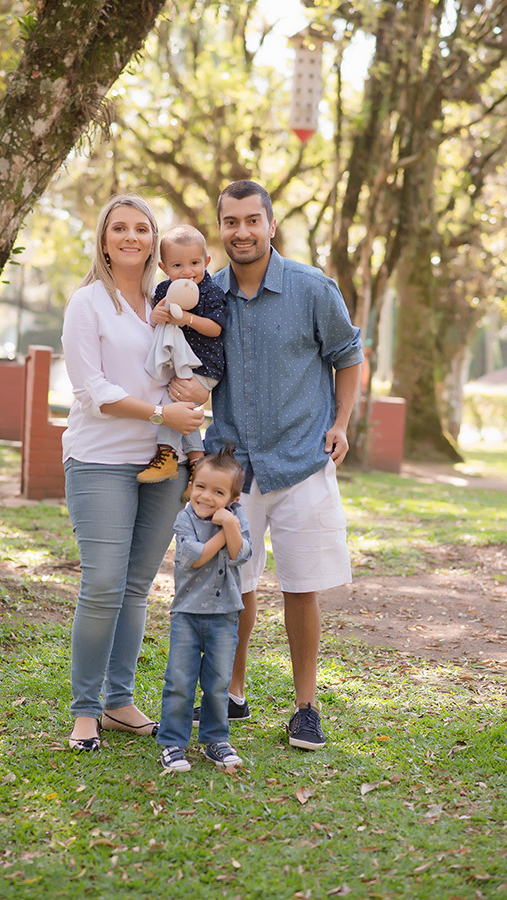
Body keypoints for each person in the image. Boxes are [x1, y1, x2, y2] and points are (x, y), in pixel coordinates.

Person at [170, 180, 364, 751]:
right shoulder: (208, 294)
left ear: (271, 225)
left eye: (252, 220)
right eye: (230, 222)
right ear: (221, 230)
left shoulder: (312, 288)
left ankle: (306, 708)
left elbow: (349, 355)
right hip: (233, 467)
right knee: (235, 581)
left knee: (301, 587)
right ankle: (232, 692)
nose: (242, 232)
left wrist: (342, 423)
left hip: (303, 459)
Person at [61, 194, 204, 752]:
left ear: (153, 241)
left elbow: (187, 369)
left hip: (164, 461)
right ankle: (85, 711)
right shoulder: (87, 304)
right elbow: (92, 391)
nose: (131, 237)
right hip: (99, 460)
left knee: (138, 586)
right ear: (104, 239)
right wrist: (157, 412)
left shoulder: (167, 299)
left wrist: (187, 413)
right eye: (119, 228)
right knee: (102, 584)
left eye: (141, 229)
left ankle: (120, 702)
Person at [157, 445, 252, 772]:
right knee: (180, 681)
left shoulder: (237, 519)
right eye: (200, 487)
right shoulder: (184, 519)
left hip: (225, 615)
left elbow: (241, 555)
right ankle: (172, 743)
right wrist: (224, 534)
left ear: (232, 498)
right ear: (191, 485)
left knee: (217, 682)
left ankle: (215, 740)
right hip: (187, 614)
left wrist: (231, 526)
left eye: (218, 492)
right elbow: (195, 557)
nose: (206, 496)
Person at [137, 224, 227, 501]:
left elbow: (216, 328)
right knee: (179, 410)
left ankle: (166, 454)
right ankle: (197, 466)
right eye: (178, 265)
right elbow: (153, 319)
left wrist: (185, 319)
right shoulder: (163, 290)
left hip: (204, 366)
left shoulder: (211, 291)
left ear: (207, 262)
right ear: (164, 267)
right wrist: (157, 317)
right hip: (179, 366)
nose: (187, 271)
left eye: (195, 263)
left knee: (172, 407)